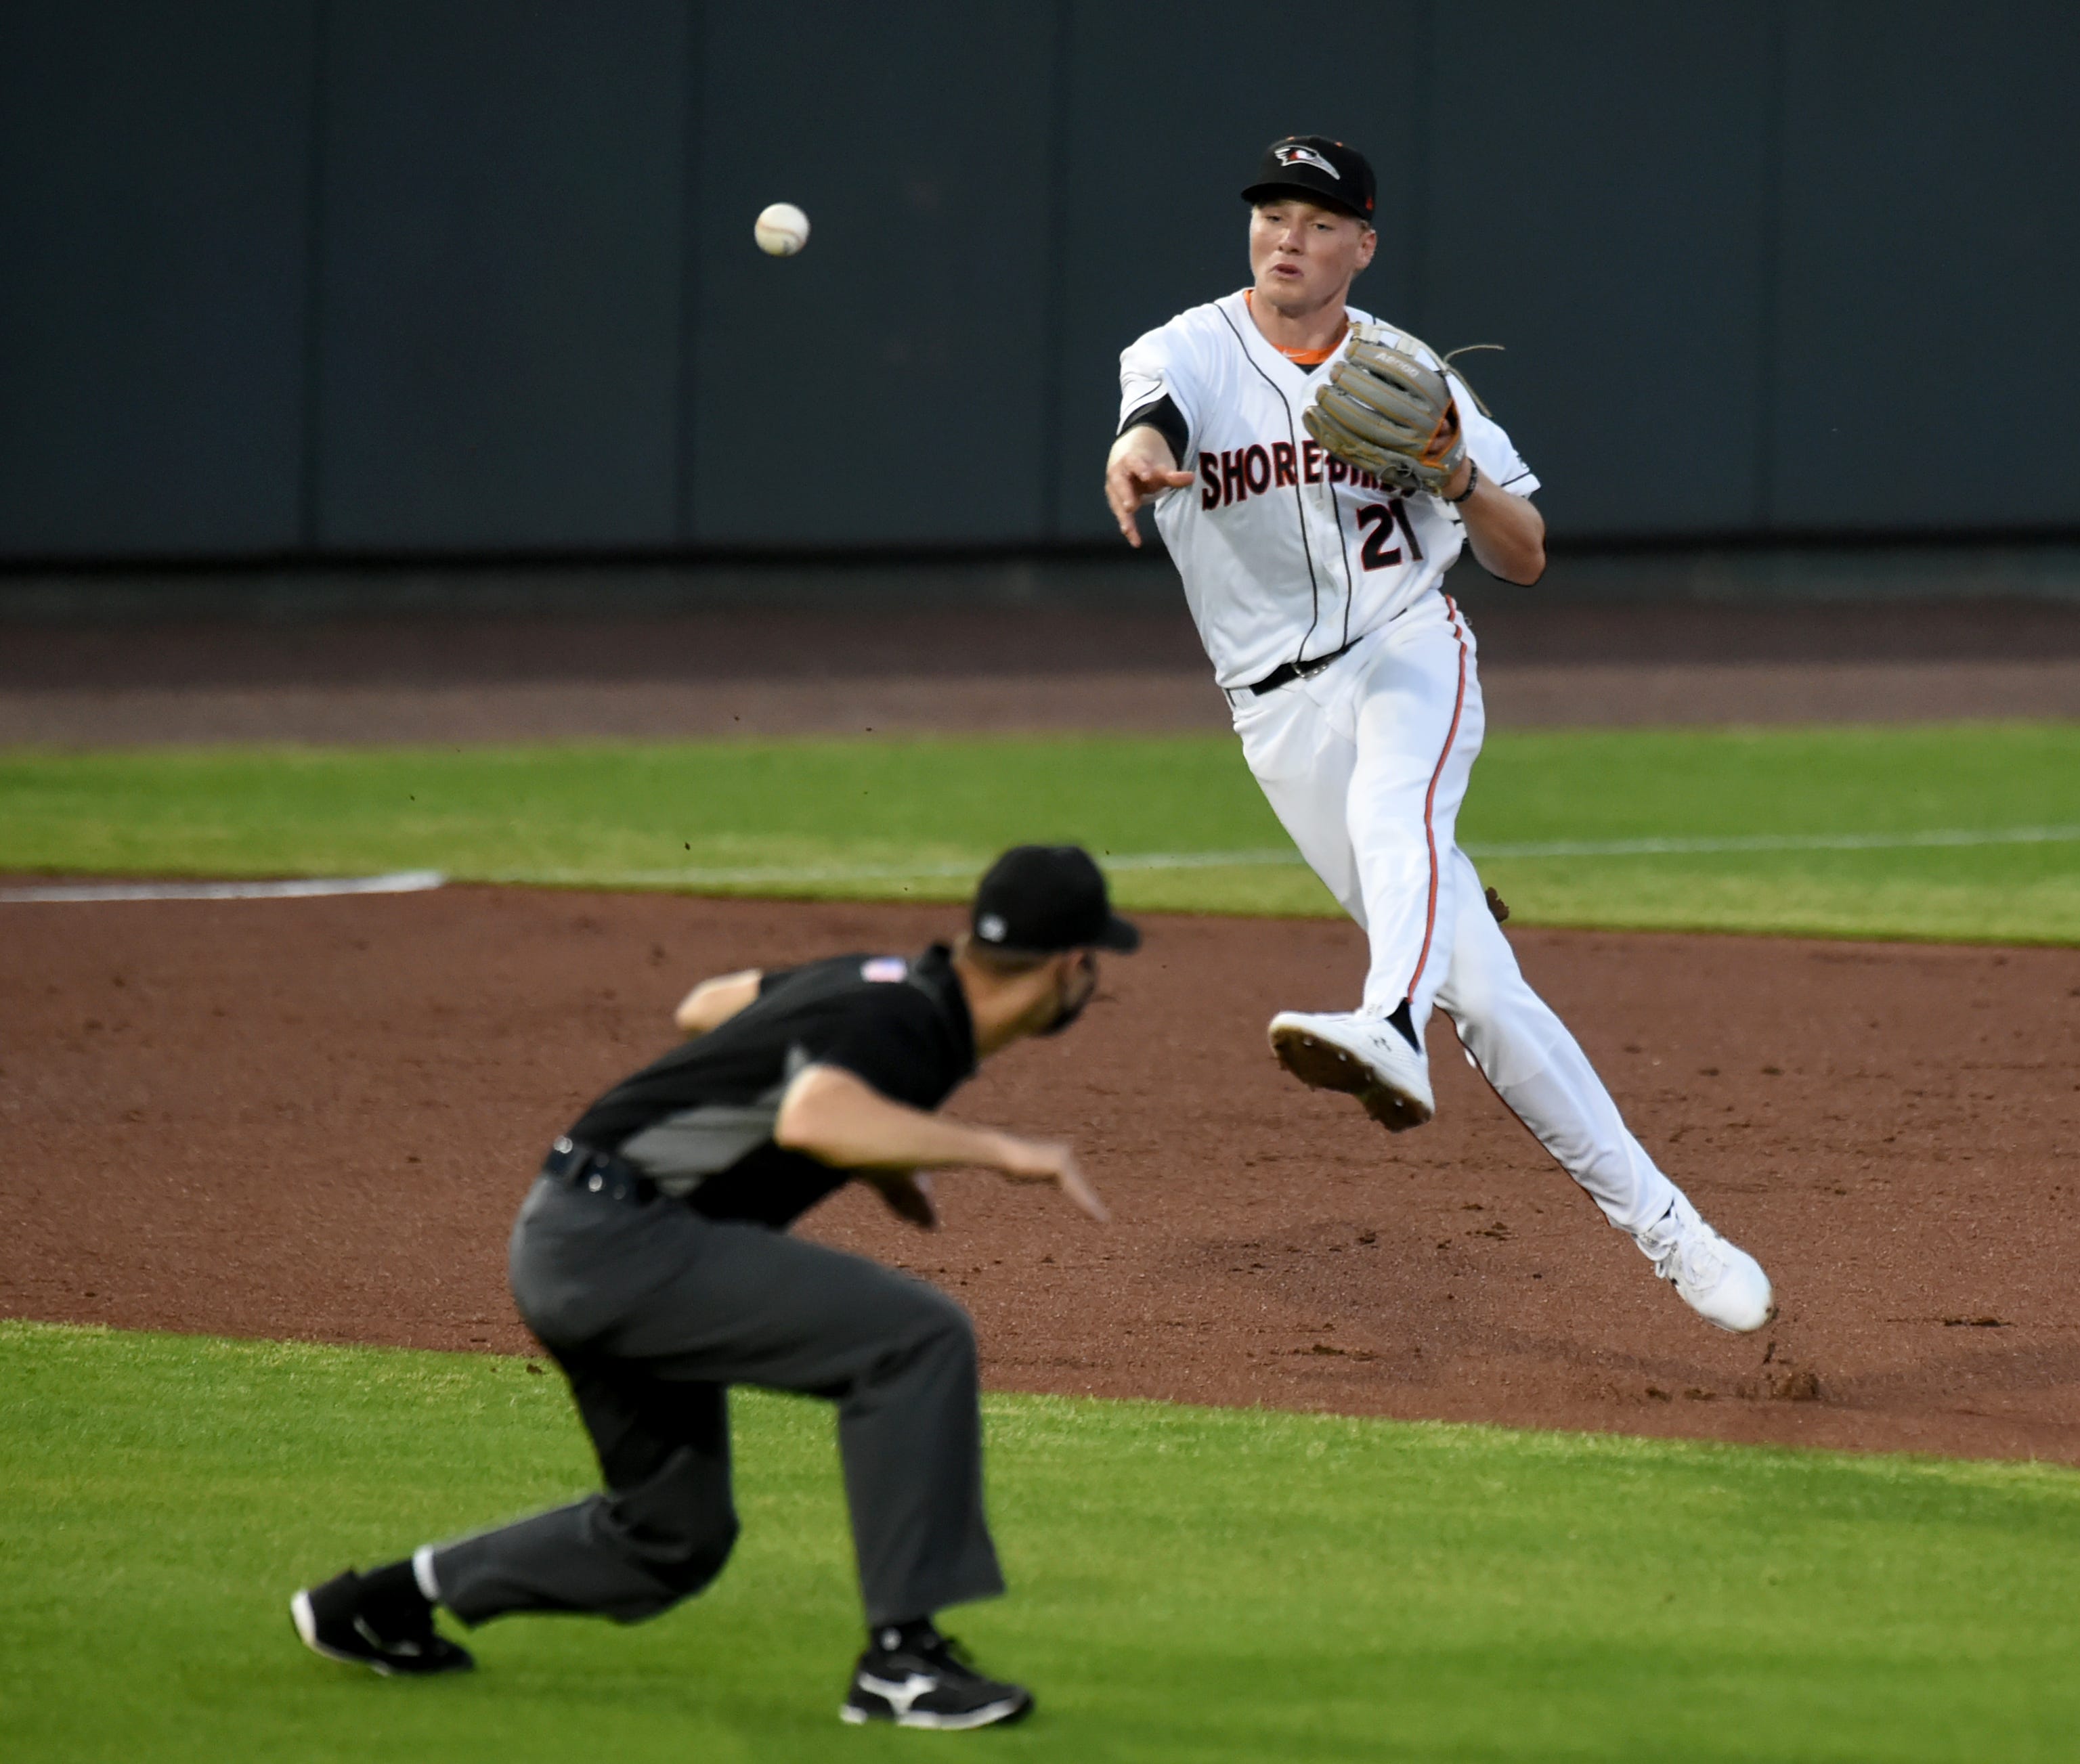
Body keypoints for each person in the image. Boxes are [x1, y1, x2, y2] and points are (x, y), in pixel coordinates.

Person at [1103, 135, 1772, 1333]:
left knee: (1394, 800)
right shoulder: (1186, 348)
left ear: (1363, 244)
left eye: (1316, 218)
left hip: (1411, 648)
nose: (1287, 235)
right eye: (1271, 212)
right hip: (1273, 713)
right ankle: (1669, 1224)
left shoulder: (1412, 373)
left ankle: (1390, 1025)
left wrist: (1456, 474)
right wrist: (1139, 455)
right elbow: (1149, 423)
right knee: (1496, 999)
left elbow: (1526, 553)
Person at [289, 845, 1139, 1731]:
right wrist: (1006, 1151)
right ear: (1071, 965)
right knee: (916, 1338)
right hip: (625, 1244)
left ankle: (382, 1602)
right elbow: (814, 1114)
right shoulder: (913, 1021)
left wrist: (880, 1150)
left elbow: (707, 1004)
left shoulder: (875, 979)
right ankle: (901, 1662)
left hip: (572, 1232)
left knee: (668, 1536)